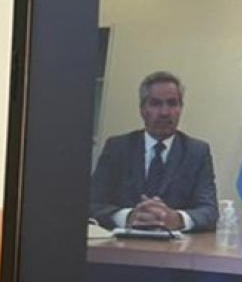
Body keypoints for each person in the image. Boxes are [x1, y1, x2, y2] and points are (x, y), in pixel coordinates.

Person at [91, 71, 218, 232]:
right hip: (121, 248)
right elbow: (93, 204)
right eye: (156, 104)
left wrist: (177, 219)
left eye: (172, 104)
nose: (165, 112)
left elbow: (209, 211)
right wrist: (128, 216)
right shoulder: (117, 148)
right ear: (142, 109)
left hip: (177, 251)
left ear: (181, 108)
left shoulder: (197, 152)